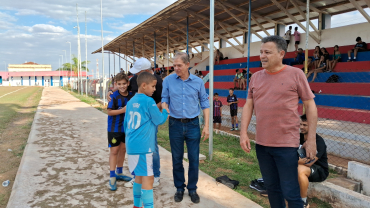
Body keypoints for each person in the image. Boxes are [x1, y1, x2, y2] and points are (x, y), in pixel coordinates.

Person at [240, 35, 318, 208]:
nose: (262, 56)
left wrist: (310, 139)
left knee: (290, 191)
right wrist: (243, 132)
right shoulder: (256, 77)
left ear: (281, 53)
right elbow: (249, 105)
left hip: (286, 145)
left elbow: (310, 106)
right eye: (261, 52)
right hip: (262, 144)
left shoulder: (295, 74)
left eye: (267, 52)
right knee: (272, 189)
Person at [107, 58, 163, 188]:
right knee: (136, 149)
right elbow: (119, 88)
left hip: (149, 121)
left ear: (144, 71)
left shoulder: (158, 82)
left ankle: (156, 175)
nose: (135, 74)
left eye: (138, 72)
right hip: (134, 123)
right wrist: (110, 91)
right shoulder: (135, 80)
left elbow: (162, 100)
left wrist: (151, 111)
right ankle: (137, 176)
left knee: (152, 148)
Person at [162, 52, 210, 204]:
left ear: (188, 64)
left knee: (194, 159)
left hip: (193, 124)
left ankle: (192, 189)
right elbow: (164, 99)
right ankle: (179, 188)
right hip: (175, 124)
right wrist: (165, 108)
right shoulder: (168, 80)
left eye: (179, 65)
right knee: (176, 159)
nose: (176, 68)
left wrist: (206, 126)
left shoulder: (198, 82)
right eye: (174, 65)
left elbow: (205, 103)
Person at [124, 72, 169, 208]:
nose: (155, 89)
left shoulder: (131, 101)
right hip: (144, 147)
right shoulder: (149, 101)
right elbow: (159, 120)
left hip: (131, 146)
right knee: (149, 178)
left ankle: (137, 205)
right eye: (153, 86)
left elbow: (126, 124)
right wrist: (165, 110)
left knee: (138, 176)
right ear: (144, 85)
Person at [107, 73, 133, 191]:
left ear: (128, 83)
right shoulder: (114, 96)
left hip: (126, 128)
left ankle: (120, 172)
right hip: (114, 128)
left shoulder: (132, 95)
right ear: (115, 84)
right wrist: (123, 110)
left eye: (124, 84)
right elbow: (109, 112)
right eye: (119, 84)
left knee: (123, 149)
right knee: (114, 151)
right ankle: (112, 176)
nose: (122, 86)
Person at [298, 114, 329, 208]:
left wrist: (291, 160)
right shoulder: (298, 137)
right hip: (301, 164)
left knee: (300, 170)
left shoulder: (318, 142)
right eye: (300, 124)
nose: (301, 127)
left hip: (320, 170)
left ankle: (303, 201)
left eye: (305, 125)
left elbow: (308, 163)